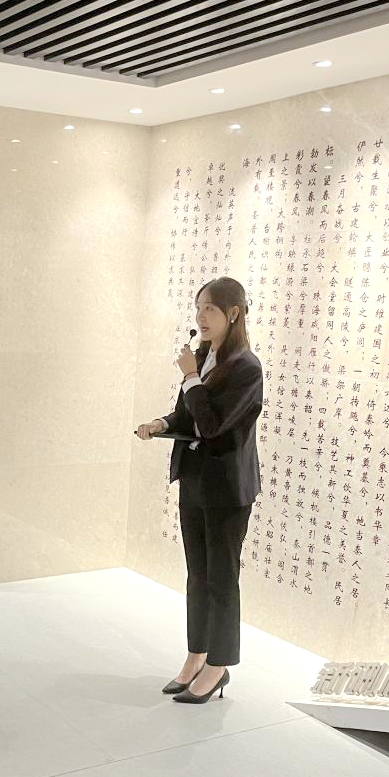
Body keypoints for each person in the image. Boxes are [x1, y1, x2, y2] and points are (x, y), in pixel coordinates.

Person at [136, 277, 262, 704]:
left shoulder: (246, 368)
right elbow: (188, 415)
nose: (200, 317)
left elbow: (211, 425)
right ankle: (196, 657)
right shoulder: (204, 357)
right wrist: (161, 424)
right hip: (195, 480)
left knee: (222, 579)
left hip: (227, 489)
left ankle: (219, 666)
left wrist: (191, 375)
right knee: (198, 576)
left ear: (233, 313)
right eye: (198, 308)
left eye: (209, 308)